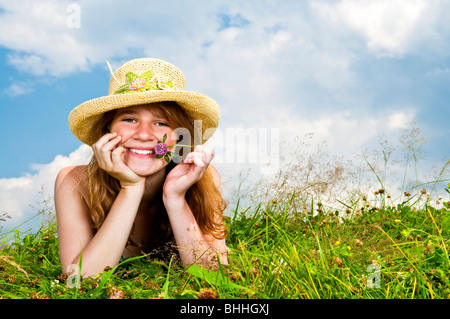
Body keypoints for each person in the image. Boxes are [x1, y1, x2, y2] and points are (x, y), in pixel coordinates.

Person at [55, 58, 228, 278]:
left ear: (181, 137)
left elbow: (215, 279)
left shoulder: (201, 178)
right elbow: (78, 281)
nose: (144, 135)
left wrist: (175, 199)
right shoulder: (75, 182)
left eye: (162, 123)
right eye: (129, 119)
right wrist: (131, 187)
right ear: (107, 128)